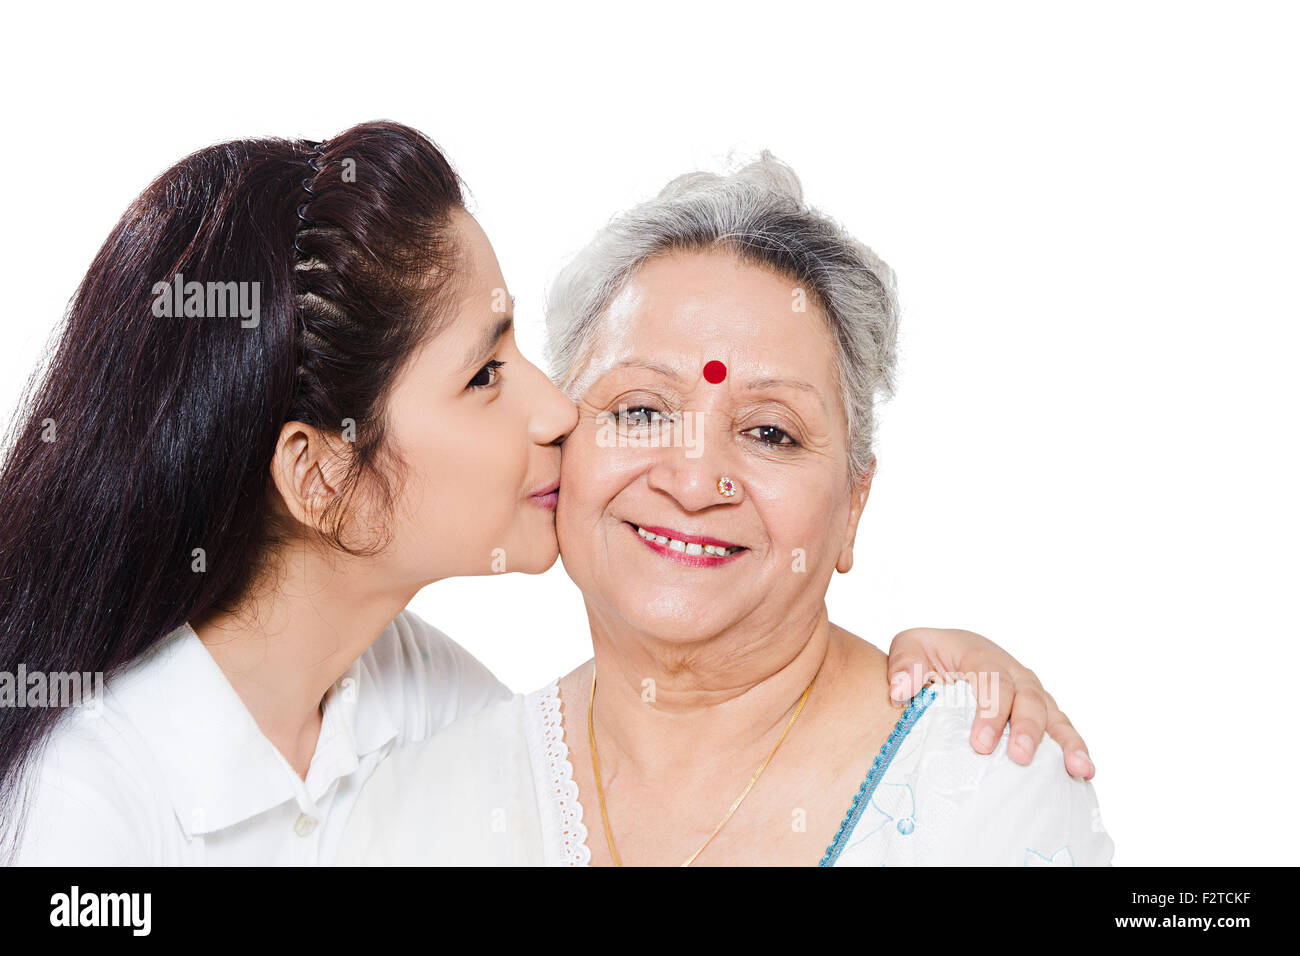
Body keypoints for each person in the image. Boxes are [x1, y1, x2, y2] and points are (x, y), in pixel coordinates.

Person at [0, 124, 1091, 865]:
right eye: (485, 373)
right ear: (322, 475)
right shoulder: (89, 800)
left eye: (767, 430)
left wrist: (954, 680)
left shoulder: (419, 701)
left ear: (855, 502)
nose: (554, 409)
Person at [337, 154, 1113, 866]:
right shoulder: (416, 809)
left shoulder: (988, 787)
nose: (695, 478)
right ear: (560, 440)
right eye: (641, 412)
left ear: (854, 505)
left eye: (769, 431)